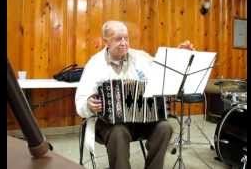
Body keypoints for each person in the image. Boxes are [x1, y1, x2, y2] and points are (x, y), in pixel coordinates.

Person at [75, 20, 194, 169]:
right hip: (108, 124)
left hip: (142, 120)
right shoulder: (95, 64)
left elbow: (165, 72)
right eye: (118, 39)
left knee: (165, 127)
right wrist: (89, 104)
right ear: (106, 42)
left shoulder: (141, 57)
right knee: (119, 132)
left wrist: (179, 56)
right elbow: (80, 101)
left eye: (126, 38)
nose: (124, 43)